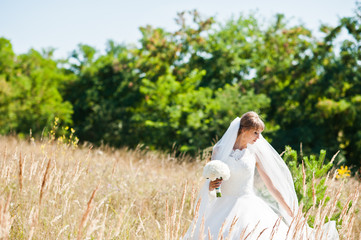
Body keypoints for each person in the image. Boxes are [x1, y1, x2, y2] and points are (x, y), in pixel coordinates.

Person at [182, 111, 339, 240]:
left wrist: (289, 210)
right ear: (243, 130)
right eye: (255, 133)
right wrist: (212, 185)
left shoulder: (253, 153)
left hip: (248, 205)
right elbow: (213, 180)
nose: (258, 138)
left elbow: (271, 185)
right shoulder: (219, 150)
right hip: (222, 207)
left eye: (260, 133)